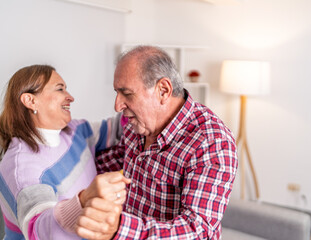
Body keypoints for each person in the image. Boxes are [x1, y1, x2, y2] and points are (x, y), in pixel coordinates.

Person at [76, 46, 238, 239]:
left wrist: (118, 229)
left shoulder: (211, 142)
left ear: (163, 90)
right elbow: (115, 158)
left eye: (126, 93)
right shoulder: (137, 124)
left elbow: (197, 231)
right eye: (117, 93)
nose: (117, 105)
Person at [0, 65, 130, 239]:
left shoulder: (74, 131)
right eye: (60, 89)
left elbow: (116, 129)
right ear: (31, 101)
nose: (70, 97)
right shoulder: (22, 168)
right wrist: (83, 201)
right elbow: (39, 231)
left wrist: (141, 99)